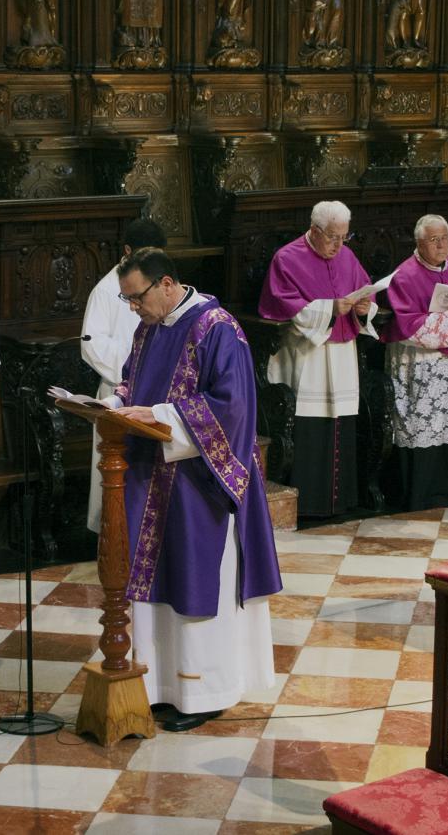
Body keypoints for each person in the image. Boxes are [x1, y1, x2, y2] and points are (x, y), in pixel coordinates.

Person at [108, 248, 281, 732]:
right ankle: (165, 686)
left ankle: (206, 690)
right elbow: (132, 382)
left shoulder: (217, 327)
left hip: (200, 481)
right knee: (160, 584)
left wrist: (160, 416)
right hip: (154, 475)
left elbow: (233, 405)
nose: (133, 308)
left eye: (136, 297)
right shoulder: (150, 328)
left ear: (166, 284)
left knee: (196, 579)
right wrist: (113, 403)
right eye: (127, 300)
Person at [258, 200, 377, 517]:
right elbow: (281, 305)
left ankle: (342, 500)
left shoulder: (347, 256)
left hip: (342, 356)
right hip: (309, 355)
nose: (339, 245)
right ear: (314, 230)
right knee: (311, 427)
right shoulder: (287, 258)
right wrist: (328, 309)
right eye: (332, 237)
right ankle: (309, 504)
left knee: (343, 422)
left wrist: (364, 308)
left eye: (344, 237)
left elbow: (366, 291)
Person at [383, 215, 448, 510]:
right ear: (419, 242)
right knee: (423, 426)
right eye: (434, 240)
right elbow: (406, 324)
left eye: (445, 239)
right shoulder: (404, 275)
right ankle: (426, 495)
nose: (442, 245)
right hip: (422, 365)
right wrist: (446, 320)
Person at [80, 217, 167, 534]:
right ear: (127, 251)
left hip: (159, 395)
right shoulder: (106, 290)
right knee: (119, 476)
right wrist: (137, 371)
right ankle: (116, 539)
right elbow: (91, 345)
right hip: (121, 391)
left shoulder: (163, 283)